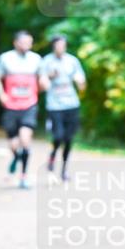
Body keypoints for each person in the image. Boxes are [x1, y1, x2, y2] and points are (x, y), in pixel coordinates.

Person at [0, 31, 43, 189]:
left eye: (30, 42)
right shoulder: (5, 58)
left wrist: (42, 85)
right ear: (16, 43)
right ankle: (16, 156)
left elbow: (42, 79)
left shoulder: (36, 59)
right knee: (13, 144)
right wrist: (1, 95)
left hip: (29, 104)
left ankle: (24, 176)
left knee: (25, 139)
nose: (27, 45)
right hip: (11, 106)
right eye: (24, 42)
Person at [39, 34, 86, 181]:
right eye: (58, 45)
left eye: (63, 45)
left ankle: (64, 170)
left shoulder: (72, 61)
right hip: (54, 106)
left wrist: (80, 83)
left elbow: (82, 83)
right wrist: (49, 77)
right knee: (58, 136)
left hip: (71, 104)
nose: (61, 48)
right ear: (53, 46)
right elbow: (41, 85)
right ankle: (53, 154)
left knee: (68, 139)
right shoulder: (46, 61)